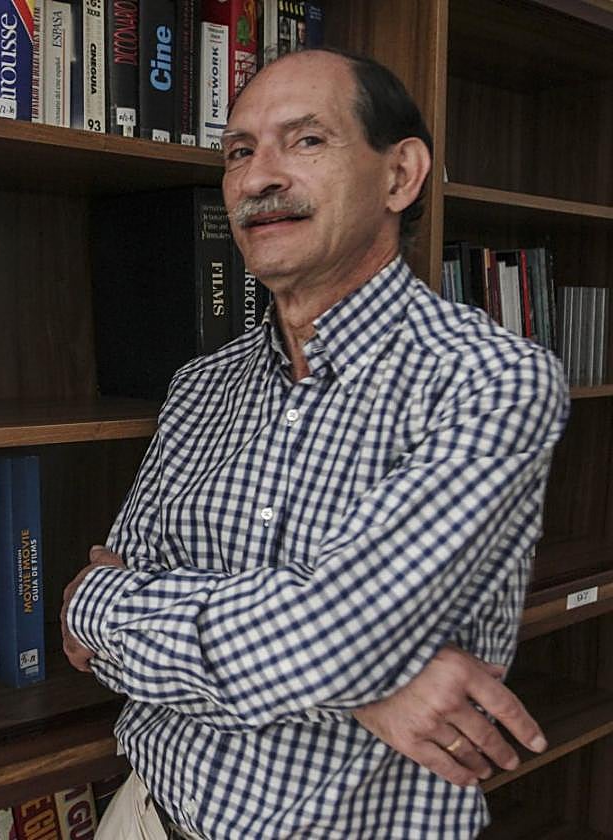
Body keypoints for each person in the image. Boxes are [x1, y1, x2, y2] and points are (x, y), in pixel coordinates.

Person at [61, 48, 569, 840]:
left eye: (306, 140)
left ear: (400, 175)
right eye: (238, 151)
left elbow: (332, 632)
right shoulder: (200, 386)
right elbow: (85, 642)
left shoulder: (493, 380)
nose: (258, 177)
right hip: (146, 817)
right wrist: (371, 685)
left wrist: (107, 606)